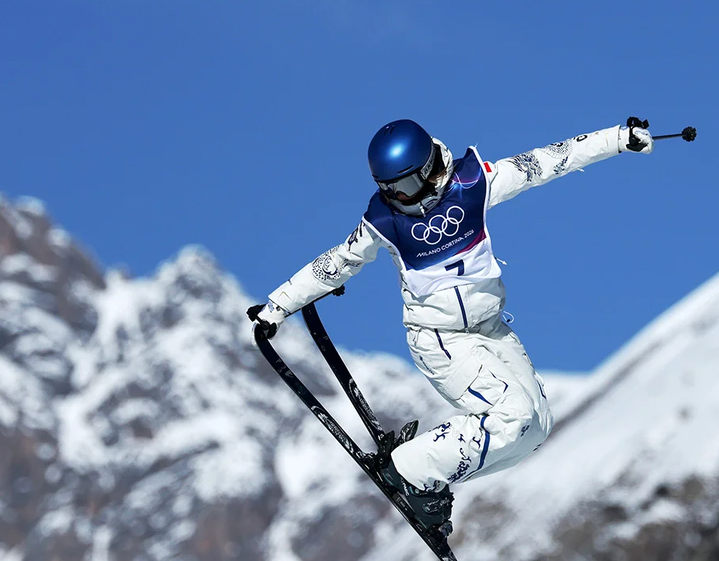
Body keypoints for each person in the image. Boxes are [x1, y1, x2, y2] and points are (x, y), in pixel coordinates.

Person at [248, 117, 654, 537]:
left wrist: (618, 139)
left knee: (534, 429)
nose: (400, 199)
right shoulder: (384, 222)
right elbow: (337, 262)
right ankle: (409, 468)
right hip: (440, 340)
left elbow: (545, 163)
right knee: (510, 417)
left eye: (405, 187)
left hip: (489, 327)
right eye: (389, 190)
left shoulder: (472, 183)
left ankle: (425, 473)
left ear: (428, 169)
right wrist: (277, 306)